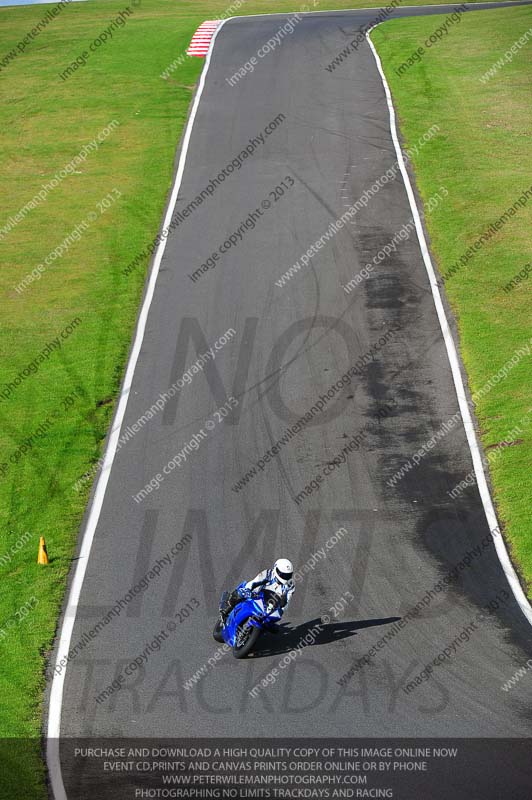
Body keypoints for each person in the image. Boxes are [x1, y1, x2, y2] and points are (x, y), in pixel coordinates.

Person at [220, 558, 295, 623]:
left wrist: (280, 610)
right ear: (276, 569)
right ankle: (227, 609)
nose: (285, 577)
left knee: (273, 624)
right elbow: (254, 582)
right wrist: (247, 590)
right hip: (256, 595)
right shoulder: (268, 574)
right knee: (239, 594)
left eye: (288, 575)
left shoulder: (290, 585)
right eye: (283, 574)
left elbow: (286, 602)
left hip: (271, 605)